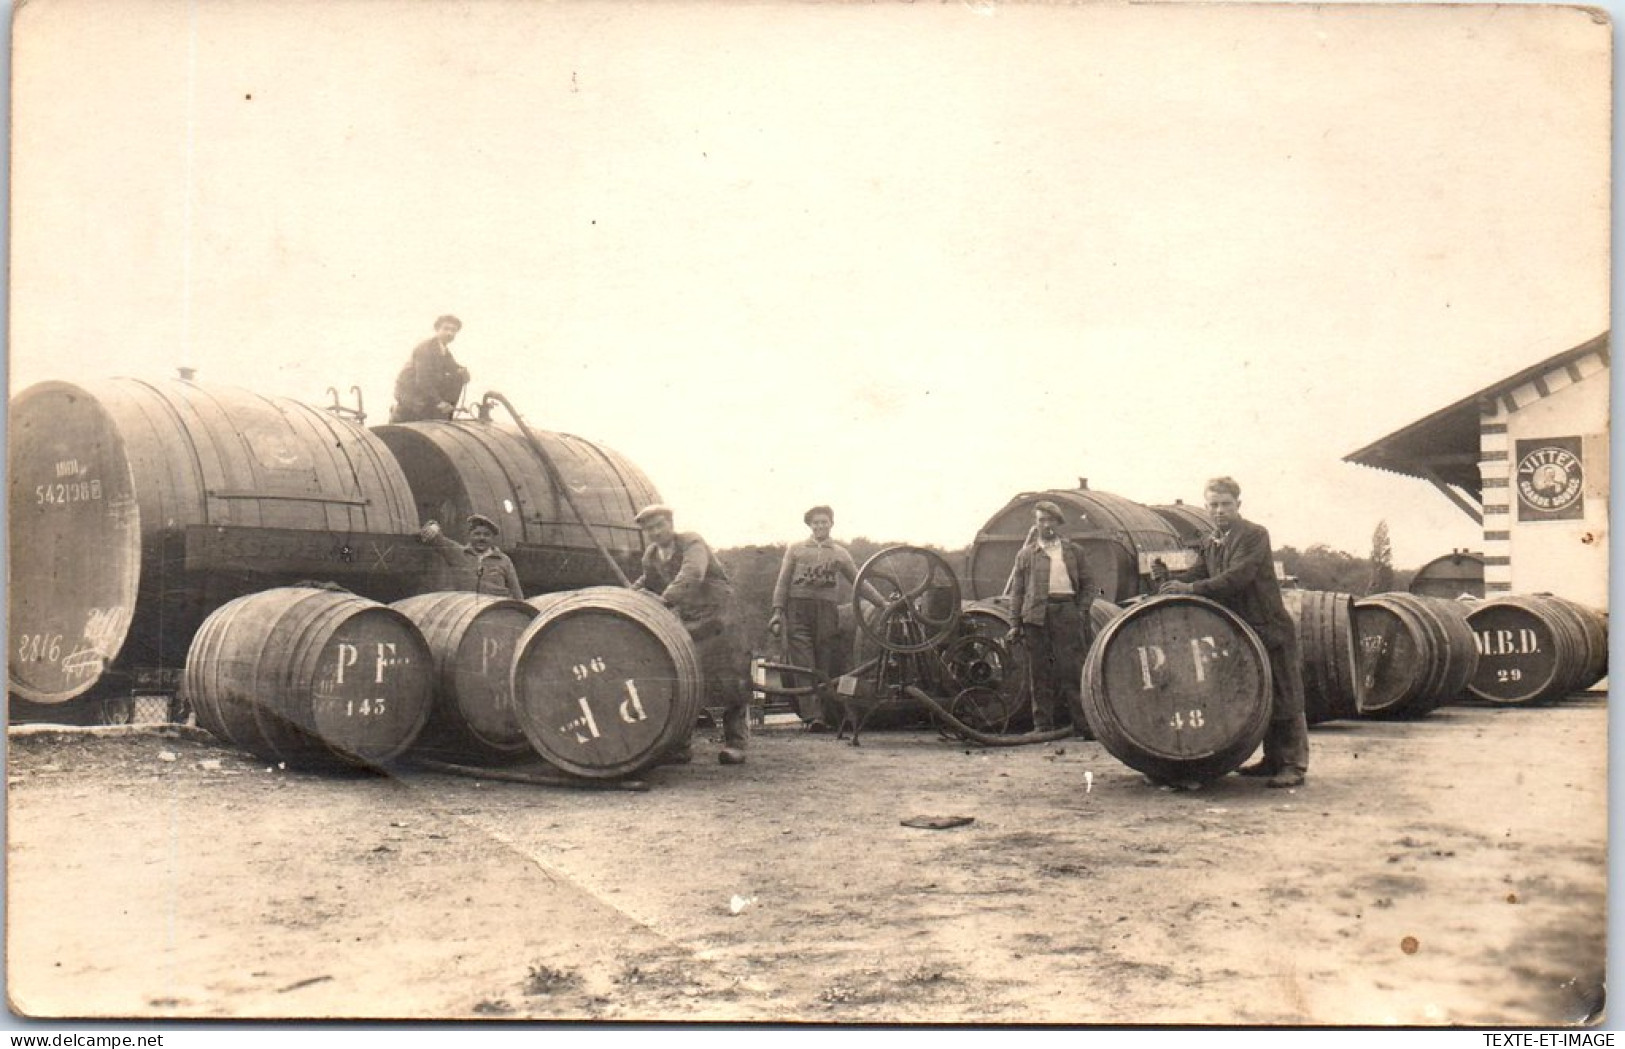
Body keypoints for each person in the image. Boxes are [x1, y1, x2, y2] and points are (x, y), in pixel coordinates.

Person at [1155, 476, 1309, 788]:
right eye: (1213, 504)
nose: (1220, 510)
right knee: (1258, 692)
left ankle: (1294, 764)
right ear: (1206, 506)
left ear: (1238, 504)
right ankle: (1272, 760)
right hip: (1242, 628)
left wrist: (1191, 587)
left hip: (1268, 626)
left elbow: (1238, 577)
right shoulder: (1211, 540)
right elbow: (1199, 573)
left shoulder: (1253, 535)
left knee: (1284, 693)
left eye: (1226, 504)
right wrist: (1171, 581)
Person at [630, 505, 749, 765]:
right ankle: (680, 745)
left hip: (719, 614)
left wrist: (664, 600)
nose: (656, 532)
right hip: (689, 617)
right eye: (649, 528)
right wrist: (627, 596)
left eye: (660, 525)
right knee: (684, 676)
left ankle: (736, 743)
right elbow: (647, 581)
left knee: (731, 676)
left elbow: (693, 573)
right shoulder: (651, 555)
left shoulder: (691, 542)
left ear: (671, 524)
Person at [1005, 500, 1097, 734]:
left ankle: (1084, 726)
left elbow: (1089, 585)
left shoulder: (1073, 551)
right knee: (1039, 672)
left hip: (1066, 612)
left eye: (1050, 520)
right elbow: (1017, 592)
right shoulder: (1025, 554)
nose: (1046, 525)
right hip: (1035, 617)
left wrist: (1080, 610)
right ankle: (1042, 725)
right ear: (1035, 525)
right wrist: (1015, 623)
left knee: (1072, 670)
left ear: (1058, 523)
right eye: (1041, 520)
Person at [769, 505, 858, 730]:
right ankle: (812, 717)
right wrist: (777, 611)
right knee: (804, 664)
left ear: (831, 524)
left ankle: (826, 714)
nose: (820, 526)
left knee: (824, 663)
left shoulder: (840, 553)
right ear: (810, 525)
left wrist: (883, 604)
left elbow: (859, 582)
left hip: (827, 611)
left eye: (824, 522)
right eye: (816, 522)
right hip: (798, 609)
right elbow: (783, 581)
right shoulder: (796, 549)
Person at [419, 513, 524, 599]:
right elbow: (436, 538)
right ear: (469, 535)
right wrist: (433, 526)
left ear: (492, 538)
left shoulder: (504, 560)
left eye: (486, 535)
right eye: (477, 534)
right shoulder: (458, 553)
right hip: (467, 612)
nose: (481, 538)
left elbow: (517, 592)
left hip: (495, 613)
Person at [390, 315, 470, 423]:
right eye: (446, 328)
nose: (449, 333)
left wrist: (464, 372)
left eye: (453, 330)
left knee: (457, 376)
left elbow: (453, 367)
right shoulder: (425, 348)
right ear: (437, 329)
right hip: (410, 394)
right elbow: (423, 380)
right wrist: (439, 402)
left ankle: (445, 414)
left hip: (423, 393)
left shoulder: (443, 349)